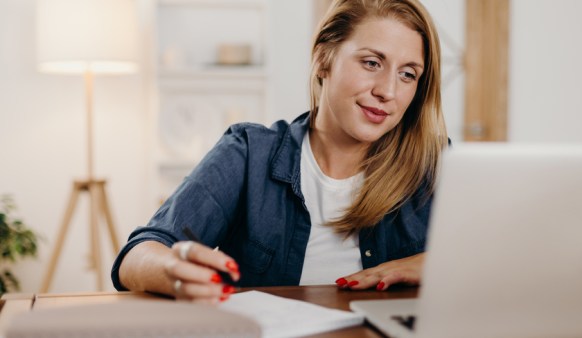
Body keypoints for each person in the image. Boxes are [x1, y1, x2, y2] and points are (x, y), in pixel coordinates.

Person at [112, 0, 447, 304]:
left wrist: (442, 264)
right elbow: (137, 255)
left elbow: (496, 262)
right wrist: (172, 269)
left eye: (407, 74)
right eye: (372, 63)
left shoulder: (438, 167)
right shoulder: (248, 153)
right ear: (322, 60)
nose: (387, 90)